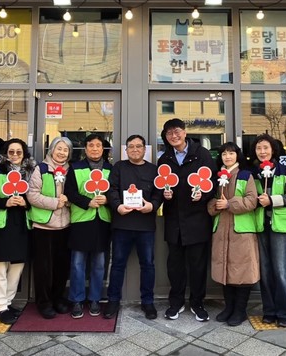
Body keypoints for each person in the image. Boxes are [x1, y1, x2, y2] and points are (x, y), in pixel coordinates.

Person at [157, 118, 215, 321]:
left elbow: (213, 183)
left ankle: (198, 303)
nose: (174, 136)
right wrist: (164, 195)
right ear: (166, 137)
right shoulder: (164, 159)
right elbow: (159, 185)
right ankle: (176, 302)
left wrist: (203, 196)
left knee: (198, 265)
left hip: (197, 219)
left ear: (185, 132)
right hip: (174, 220)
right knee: (175, 265)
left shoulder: (202, 154)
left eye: (177, 131)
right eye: (169, 133)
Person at [104, 134, 162, 320]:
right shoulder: (119, 167)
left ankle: (148, 302)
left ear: (144, 149)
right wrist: (117, 206)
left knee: (148, 265)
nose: (135, 149)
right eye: (131, 146)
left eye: (138, 146)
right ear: (126, 150)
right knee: (117, 264)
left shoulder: (153, 170)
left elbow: (159, 193)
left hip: (145, 225)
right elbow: (111, 189)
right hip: (122, 224)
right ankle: (113, 300)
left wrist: (152, 206)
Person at [208, 142, 260, 326]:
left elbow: (252, 201)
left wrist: (229, 204)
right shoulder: (217, 177)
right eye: (224, 154)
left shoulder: (246, 175)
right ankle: (229, 307)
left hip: (241, 231)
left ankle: (240, 310)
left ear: (237, 155)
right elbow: (211, 201)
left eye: (231, 153)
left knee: (242, 271)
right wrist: (215, 205)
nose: (227, 157)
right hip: (222, 229)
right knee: (225, 269)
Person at [64, 134, 113, 318]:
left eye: (98, 145)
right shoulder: (75, 168)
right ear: (85, 149)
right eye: (91, 145)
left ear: (103, 149)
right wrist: (87, 202)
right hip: (81, 221)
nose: (94, 149)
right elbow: (70, 192)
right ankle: (76, 299)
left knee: (99, 264)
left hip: (102, 221)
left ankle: (95, 299)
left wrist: (107, 199)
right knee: (77, 263)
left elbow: (115, 191)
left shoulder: (110, 169)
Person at [253, 134, 286, 327]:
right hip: (261, 225)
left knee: (281, 270)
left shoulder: (285, 171)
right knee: (265, 270)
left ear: (273, 150)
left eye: (266, 148)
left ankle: (285, 312)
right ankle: (269, 310)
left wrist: (271, 200)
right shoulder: (254, 174)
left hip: (280, 226)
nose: (262, 152)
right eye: (258, 148)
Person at [26, 137, 73, 319]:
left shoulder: (71, 170)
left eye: (66, 150)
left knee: (62, 266)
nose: (62, 152)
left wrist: (68, 201)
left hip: (65, 224)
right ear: (52, 149)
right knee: (43, 267)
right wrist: (55, 203)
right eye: (59, 148)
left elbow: (76, 193)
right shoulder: (41, 169)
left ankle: (58, 298)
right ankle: (44, 302)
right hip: (43, 225)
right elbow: (32, 195)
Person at [0, 140, 31, 324]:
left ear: (24, 154)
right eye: (11, 152)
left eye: (19, 152)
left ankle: (8, 302)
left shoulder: (30, 172)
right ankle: (0, 306)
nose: (15, 155)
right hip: (0, 223)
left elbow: (34, 195)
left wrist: (25, 203)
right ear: (5, 153)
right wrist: (5, 202)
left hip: (21, 223)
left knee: (17, 266)